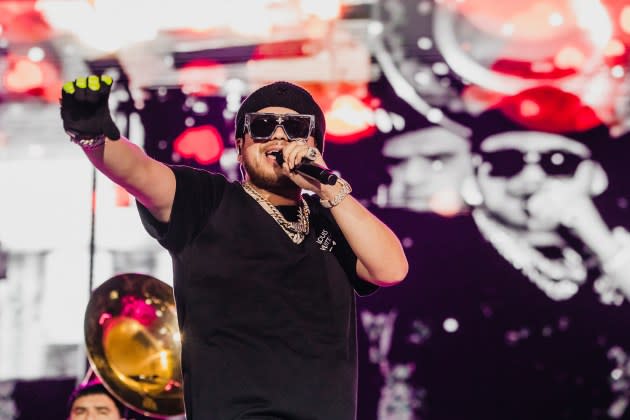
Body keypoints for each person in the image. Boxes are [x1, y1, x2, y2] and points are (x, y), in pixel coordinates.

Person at [60, 75, 408, 419]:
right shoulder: (206, 200)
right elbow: (138, 172)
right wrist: (93, 136)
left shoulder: (332, 218)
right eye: (263, 125)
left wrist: (328, 187)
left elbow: (391, 270)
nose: (278, 136)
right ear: (240, 144)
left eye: (296, 128)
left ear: (314, 144)